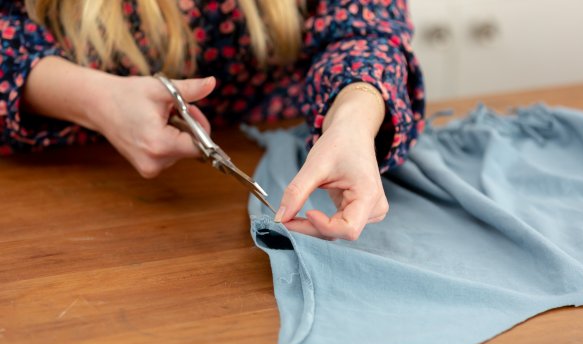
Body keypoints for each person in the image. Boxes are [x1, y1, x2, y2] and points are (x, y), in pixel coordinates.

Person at [0, 0, 425, 241]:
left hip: (283, 133)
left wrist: (354, 116)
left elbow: (367, 27)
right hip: (60, 176)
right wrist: (94, 100)